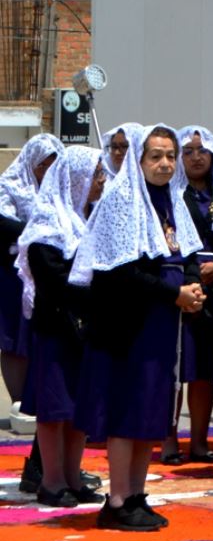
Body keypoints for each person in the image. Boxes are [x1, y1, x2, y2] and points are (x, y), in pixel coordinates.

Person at [71, 124, 208, 531]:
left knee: (150, 412)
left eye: (170, 156)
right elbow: (120, 273)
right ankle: (116, 501)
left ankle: (136, 494)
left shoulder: (170, 201)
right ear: (138, 160)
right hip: (127, 327)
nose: (165, 164)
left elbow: (183, 251)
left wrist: (193, 282)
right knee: (126, 412)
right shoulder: (121, 200)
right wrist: (174, 294)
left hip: (160, 326)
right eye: (156, 156)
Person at [17, 146, 104, 506]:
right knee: (54, 411)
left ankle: (72, 474)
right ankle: (51, 480)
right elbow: (55, 281)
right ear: (76, 179)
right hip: (56, 329)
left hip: (84, 331)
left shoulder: (84, 221)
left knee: (78, 409)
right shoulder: (47, 227)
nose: (101, 182)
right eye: (97, 174)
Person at [165, 126, 213, 466]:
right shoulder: (172, 193)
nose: (195, 157)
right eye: (187, 151)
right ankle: (169, 440)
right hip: (181, 282)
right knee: (176, 368)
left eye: (201, 150)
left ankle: (201, 443)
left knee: (204, 370)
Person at [1, 133, 61, 431]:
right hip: (15, 272)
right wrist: (37, 230)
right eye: (43, 164)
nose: (47, 170)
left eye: (53, 164)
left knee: (41, 337)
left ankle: (39, 401)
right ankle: (19, 402)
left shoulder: (58, 189)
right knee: (15, 340)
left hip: (48, 272)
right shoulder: (9, 185)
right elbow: (3, 223)